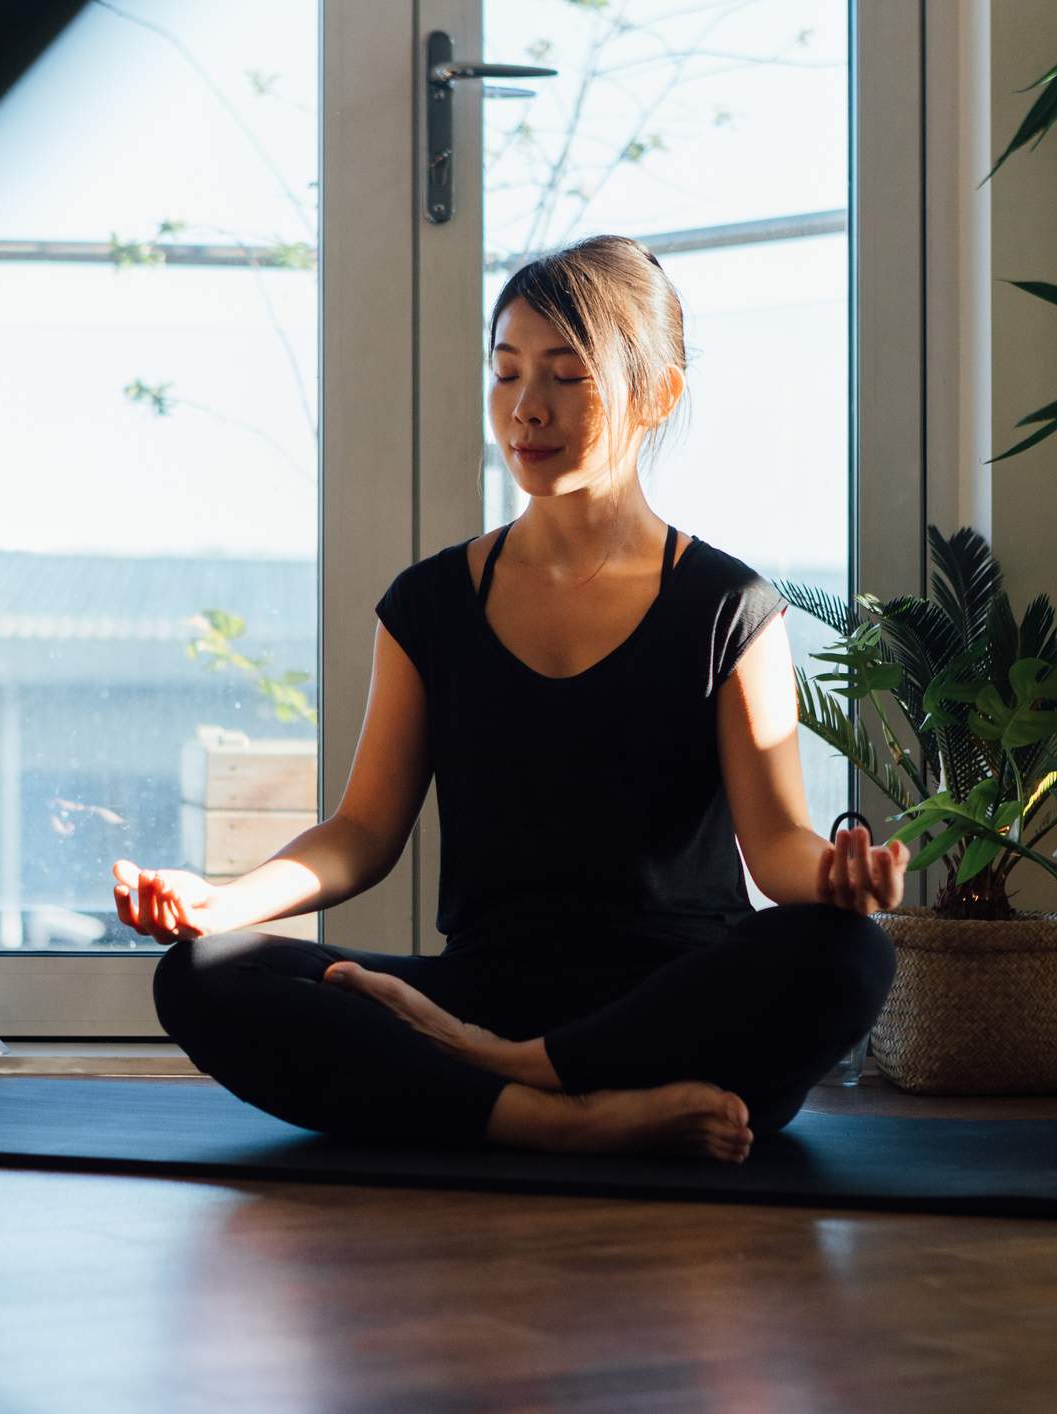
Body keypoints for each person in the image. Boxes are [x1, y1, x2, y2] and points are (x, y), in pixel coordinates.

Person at [113, 234, 906, 1164]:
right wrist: (219, 906)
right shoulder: (431, 603)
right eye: (507, 373)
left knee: (851, 954)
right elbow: (362, 832)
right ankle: (558, 1115)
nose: (527, 409)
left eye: (568, 377)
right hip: (482, 993)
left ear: (656, 396)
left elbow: (776, 853)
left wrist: (837, 881)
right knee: (205, 976)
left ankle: (515, 1077)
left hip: (673, 1005)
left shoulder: (727, 607)